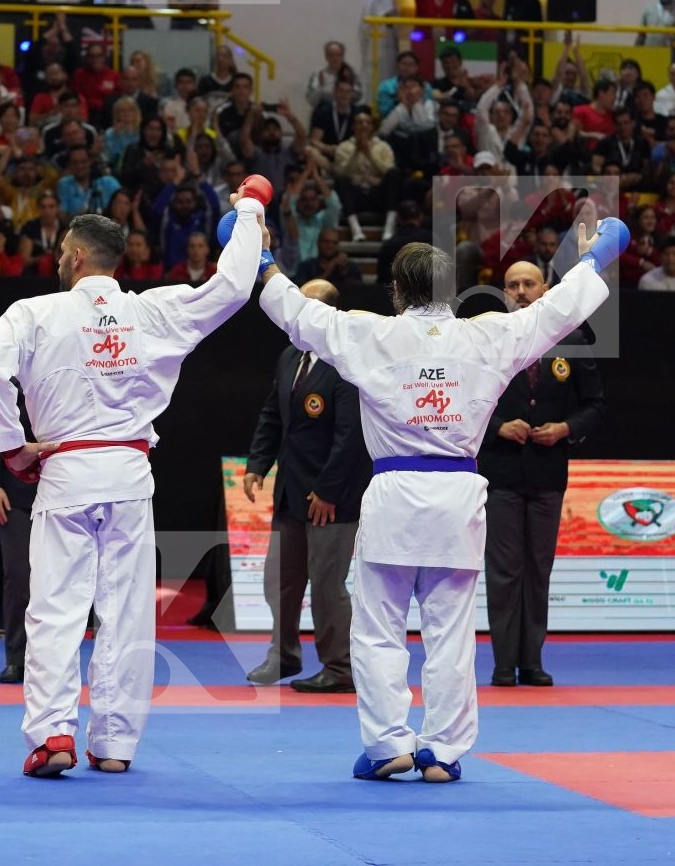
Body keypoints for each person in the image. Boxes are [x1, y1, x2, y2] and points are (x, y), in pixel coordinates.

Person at [254, 215, 624, 782]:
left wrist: (259, 258)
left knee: (378, 629)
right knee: (449, 631)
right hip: (458, 497)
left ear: (397, 291)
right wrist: (595, 259)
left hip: (395, 496)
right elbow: (555, 314)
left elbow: (298, 314)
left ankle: (388, 746)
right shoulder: (489, 333)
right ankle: (443, 752)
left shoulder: (370, 332)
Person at [0, 193, 269, 778]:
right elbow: (233, 287)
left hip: (66, 473)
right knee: (126, 613)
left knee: (56, 609)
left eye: (62, 252)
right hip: (130, 476)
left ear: (78, 257)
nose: (59, 260)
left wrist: (11, 449)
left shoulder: (32, 313)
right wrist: (252, 209)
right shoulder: (153, 311)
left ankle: (54, 733)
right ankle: (114, 744)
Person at [482, 261, 606, 687]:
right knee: (503, 570)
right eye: (513, 285)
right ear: (504, 292)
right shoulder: (490, 337)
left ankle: (531, 660)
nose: (520, 291)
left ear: (545, 288)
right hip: (500, 471)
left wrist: (566, 428)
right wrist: (497, 424)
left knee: (538, 568)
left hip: (548, 471)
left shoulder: (571, 339)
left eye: (528, 283)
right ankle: (502, 663)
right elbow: (465, 397)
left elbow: (594, 403)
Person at [243, 279, 371, 692]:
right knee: (280, 581)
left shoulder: (348, 362)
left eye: (309, 306)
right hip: (290, 492)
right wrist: (258, 464)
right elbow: (271, 415)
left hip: (333, 498)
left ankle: (340, 667)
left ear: (329, 315)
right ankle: (283, 656)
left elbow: (353, 436)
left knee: (327, 585)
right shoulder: (290, 356)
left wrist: (329, 492)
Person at [0, 440, 38, 684]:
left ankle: (54, 661)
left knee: (60, 581)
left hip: (62, 490)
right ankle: (17, 659)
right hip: (14, 495)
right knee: (19, 575)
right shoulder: (14, 400)